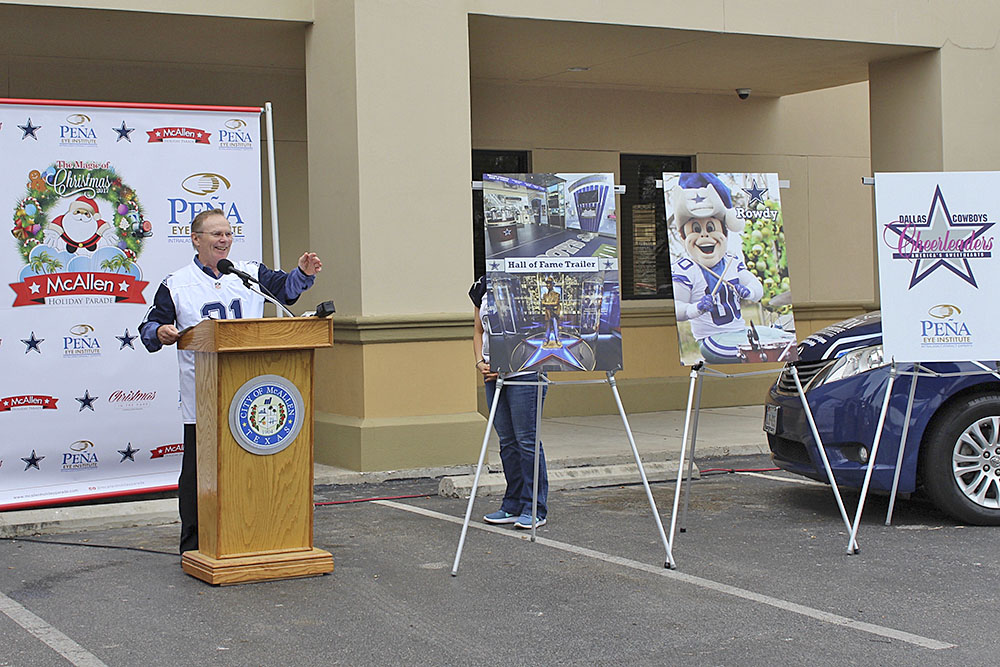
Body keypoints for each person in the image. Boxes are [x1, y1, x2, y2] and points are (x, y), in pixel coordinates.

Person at [139, 208, 323, 555]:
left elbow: (284, 291)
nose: (224, 240)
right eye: (216, 234)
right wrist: (161, 332)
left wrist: (302, 273)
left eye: (227, 234)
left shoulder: (248, 273)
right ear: (196, 240)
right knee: (198, 476)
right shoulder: (176, 283)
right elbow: (149, 328)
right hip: (204, 398)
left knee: (249, 471)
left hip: (251, 396)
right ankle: (195, 545)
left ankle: (251, 537)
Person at [470, 275, 548, 529]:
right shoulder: (482, 285)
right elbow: (478, 330)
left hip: (525, 371)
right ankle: (512, 503)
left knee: (526, 440)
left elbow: (537, 328)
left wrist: (504, 364)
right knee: (507, 441)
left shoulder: (527, 280)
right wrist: (481, 362)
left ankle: (535, 507)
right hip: (493, 374)